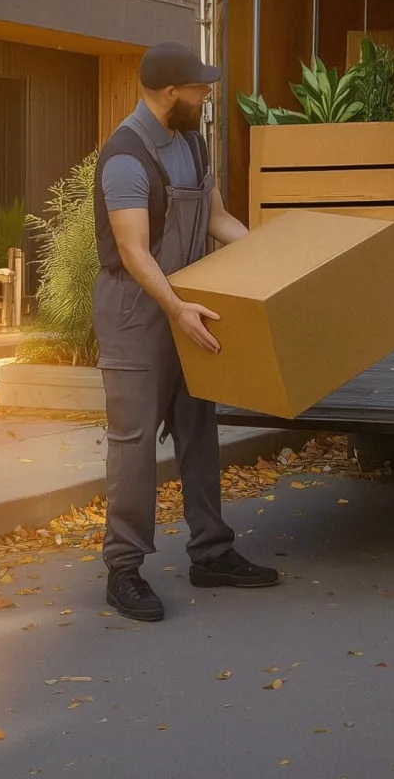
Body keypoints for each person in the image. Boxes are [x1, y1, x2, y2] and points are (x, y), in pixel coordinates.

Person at [92, 41, 279, 622]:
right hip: (136, 314)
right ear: (170, 92)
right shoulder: (125, 157)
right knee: (134, 443)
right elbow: (134, 252)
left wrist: (275, 258)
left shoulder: (194, 143)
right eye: (199, 88)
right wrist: (175, 309)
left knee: (200, 429)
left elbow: (217, 217)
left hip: (187, 305)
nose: (206, 95)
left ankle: (211, 552)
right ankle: (123, 569)